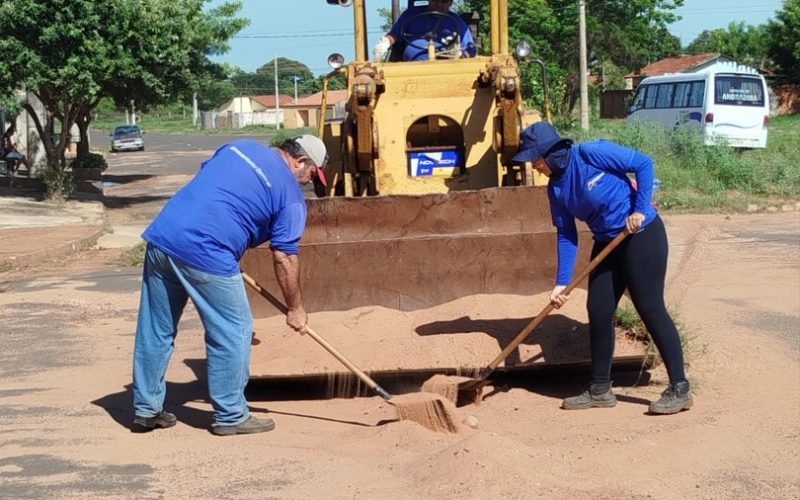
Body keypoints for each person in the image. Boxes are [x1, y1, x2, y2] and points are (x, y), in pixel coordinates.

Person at [132, 135, 329, 435]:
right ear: (300, 161)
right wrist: (295, 308)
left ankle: (146, 409)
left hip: (164, 237)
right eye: (312, 175)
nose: (308, 183)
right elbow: (285, 256)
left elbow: (215, 185)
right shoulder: (291, 197)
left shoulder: (240, 147)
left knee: (156, 328)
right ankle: (231, 416)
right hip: (208, 251)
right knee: (234, 330)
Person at [512, 121, 693, 415]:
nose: (534, 165)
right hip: (607, 241)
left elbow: (644, 164)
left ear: (551, 153)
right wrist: (561, 283)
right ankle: (600, 389)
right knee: (598, 308)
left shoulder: (590, 153)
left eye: (536, 158)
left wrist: (639, 209)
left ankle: (680, 388)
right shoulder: (555, 188)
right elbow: (567, 234)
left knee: (649, 306)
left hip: (640, 234)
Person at [373, 0, 477, 62]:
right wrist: (385, 42)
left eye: (444, 1)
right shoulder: (411, 15)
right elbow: (394, 35)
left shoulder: (457, 22)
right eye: (435, 0)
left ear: (450, 2)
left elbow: (470, 49)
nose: (439, 4)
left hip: (446, 71)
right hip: (410, 70)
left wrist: (458, 53)